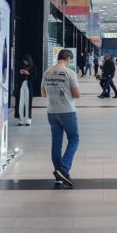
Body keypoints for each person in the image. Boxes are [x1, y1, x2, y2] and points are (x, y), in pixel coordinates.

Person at [41, 49, 81, 188]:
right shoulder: (70, 73)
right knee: (74, 139)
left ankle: (59, 176)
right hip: (67, 111)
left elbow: (43, 93)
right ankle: (63, 169)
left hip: (52, 111)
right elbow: (77, 94)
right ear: (68, 58)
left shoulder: (47, 72)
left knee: (56, 142)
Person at [14, 54, 35, 126]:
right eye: (24, 61)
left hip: (28, 86)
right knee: (20, 102)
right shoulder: (20, 66)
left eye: (26, 61)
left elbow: (34, 77)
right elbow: (16, 76)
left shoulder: (33, 67)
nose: (25, 62)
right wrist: (20, 72)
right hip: (21, 86)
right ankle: (20, 119)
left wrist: (28, 74)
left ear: (29, 60)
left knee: (28, 102)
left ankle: (28, 119)